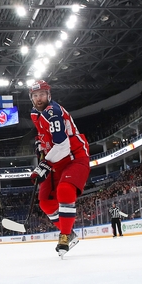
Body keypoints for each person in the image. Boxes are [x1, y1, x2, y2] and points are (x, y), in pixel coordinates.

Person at [28, 80, 91, 257]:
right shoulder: (35, 113)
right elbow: (43, 134)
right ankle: (69, 232)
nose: (38, 98)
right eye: (35, 95)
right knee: (46, 202)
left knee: (65, 189)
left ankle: (64, 235)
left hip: (73, 155)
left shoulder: (53, 113)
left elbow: (63, 146)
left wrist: (45, 165)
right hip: (56, 158)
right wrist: (40, 144)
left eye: (41, 94)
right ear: (31, 98)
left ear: (49, 95)